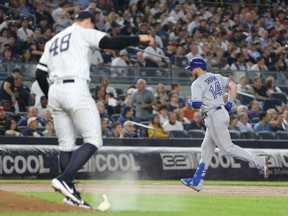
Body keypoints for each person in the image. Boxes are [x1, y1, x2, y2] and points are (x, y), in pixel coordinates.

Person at [35, 11, 155, 208]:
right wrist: (140, 38)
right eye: (93, 23)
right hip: (75, 86)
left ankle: (69, 193)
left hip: (55, 90)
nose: (94, 26)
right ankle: (65, 179)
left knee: (66, 144)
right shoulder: (82, 31)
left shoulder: (54, 40)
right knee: (93, 139)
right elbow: (112, 43)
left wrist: (52, 95)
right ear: (88, 21)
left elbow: (39, 74)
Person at [180, 57, 269, 192]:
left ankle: (258, 161)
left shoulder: (197, 83)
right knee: (206, 148)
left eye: (192, 69)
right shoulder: (215, 76)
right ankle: (197, 180)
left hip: (213, 116)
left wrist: (189, 102)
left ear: (197, 69)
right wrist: (230, 103)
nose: (191, 71)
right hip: (221, 113)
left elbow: (197, 104)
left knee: (227, 148)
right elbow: (233, 85)